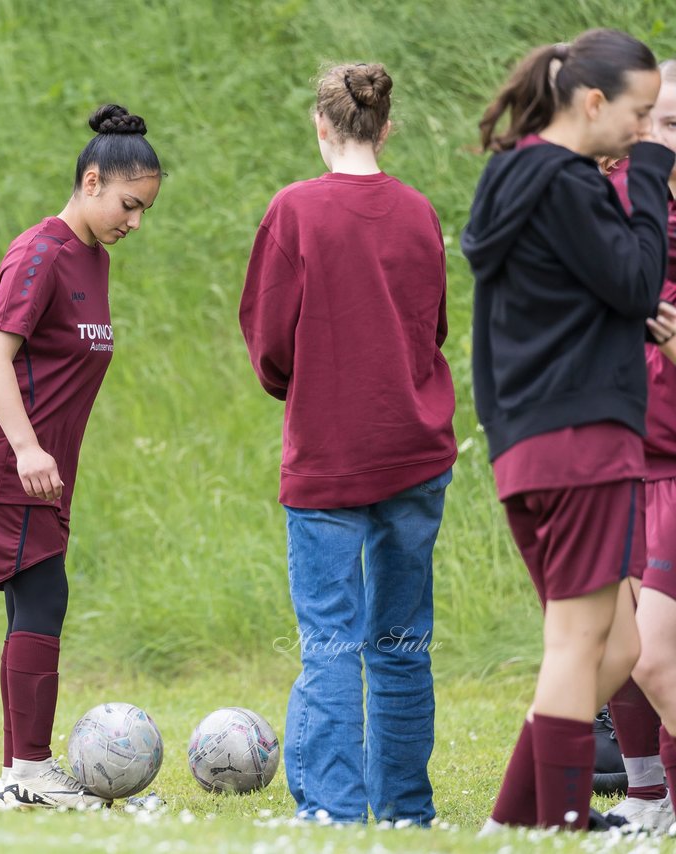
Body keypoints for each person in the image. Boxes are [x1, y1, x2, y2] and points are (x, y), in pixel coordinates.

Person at [460, 29, 674, 833]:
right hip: (581, 436)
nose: (645, 131)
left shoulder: (512, 175)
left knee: (615, 648)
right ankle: (558, 827)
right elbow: (633, 280)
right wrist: (651, 176)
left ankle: (514, 824)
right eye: (640, 115)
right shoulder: (567, 184)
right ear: (592, 103)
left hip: (531, 440)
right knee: (579, 644)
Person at [240, 62, 456, 826]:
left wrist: (303, 389)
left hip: (329, 452)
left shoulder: (293, 211)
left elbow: (268, 342)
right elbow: (432, 331)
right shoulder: (420, 211)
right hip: (417, 449)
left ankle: (332, 811)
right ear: (386, 126)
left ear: (320, 124)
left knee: (331, 642)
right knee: (401, 639)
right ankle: (404, 809)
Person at [0, 104, 162, 810]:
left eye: (145, 210)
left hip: (37, 468)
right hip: (6, 457)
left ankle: (18, 774)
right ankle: (30, 772)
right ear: (91, 181)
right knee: (43, 596)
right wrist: (28, 446)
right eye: (128, 204)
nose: (135, 222)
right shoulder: (40, 252)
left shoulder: (92, 257)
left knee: (32, 603)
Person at [593, 64, 676, 830]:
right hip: (613, 461)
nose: (664, 142)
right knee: (615, 650)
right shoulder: (614, 207)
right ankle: (647, 802)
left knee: (655, 654)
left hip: (673, 469)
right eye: (657, 124)